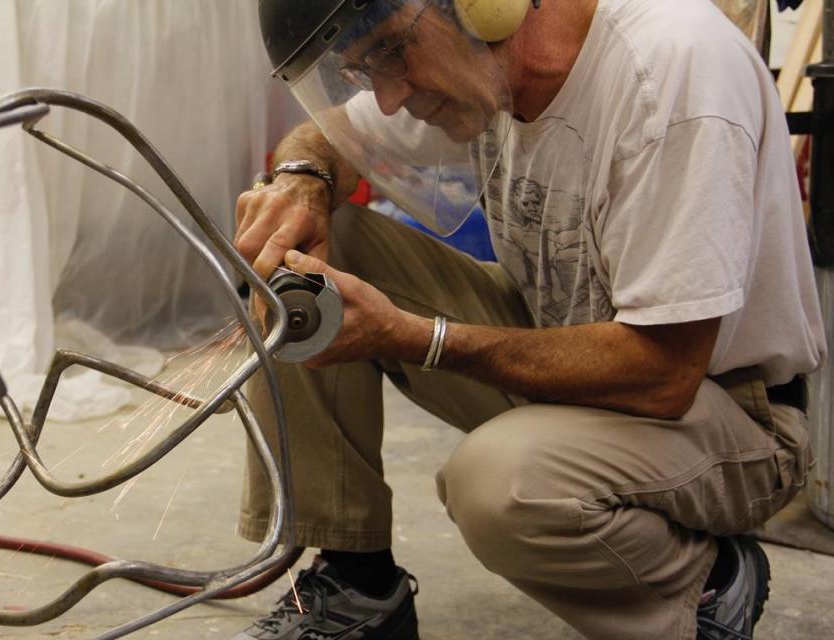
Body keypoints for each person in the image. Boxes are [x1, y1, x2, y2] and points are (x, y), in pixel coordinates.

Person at [231, 1, 826, 639]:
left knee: (500, 484)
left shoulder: (671, 72)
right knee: (299, 258)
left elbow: (665, 373)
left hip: (726, 411)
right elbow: (325, 139)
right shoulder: (480, 64)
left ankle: (702, 583)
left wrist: (419, 338)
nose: (385, 97)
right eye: (361, 70)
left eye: (388, 52)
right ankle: (357, 587)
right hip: (575, 351)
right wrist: (301, 179)